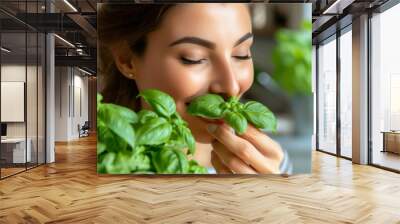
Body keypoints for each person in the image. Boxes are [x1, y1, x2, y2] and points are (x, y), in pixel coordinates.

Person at [98, 3, 292, 174]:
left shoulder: (269, 161)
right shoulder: (109, 163)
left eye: (241, 54)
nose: (231, 87)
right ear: (127, 59)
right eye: (194, 58)